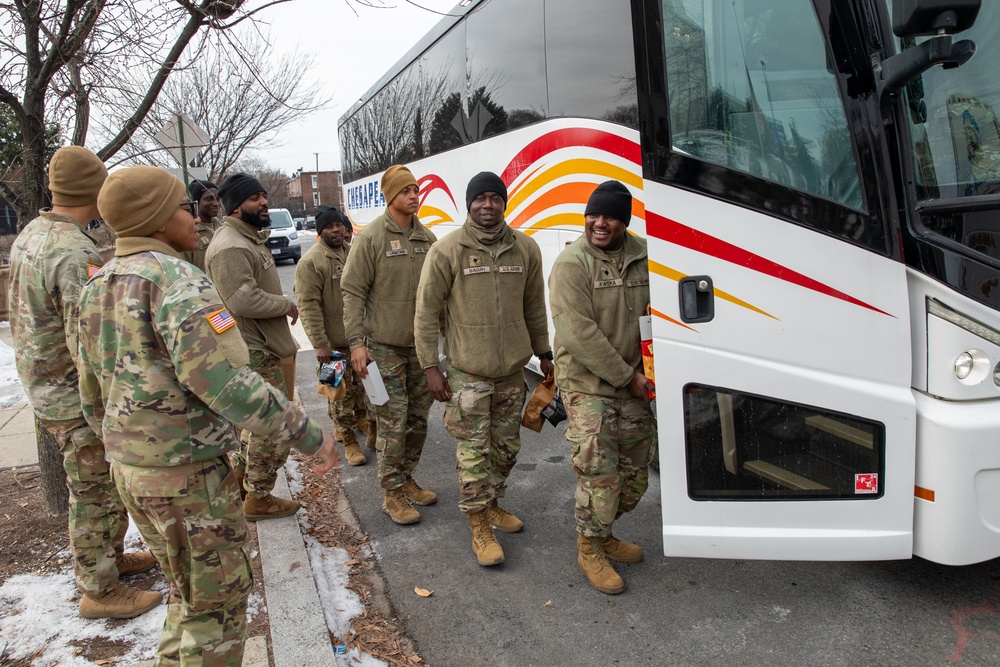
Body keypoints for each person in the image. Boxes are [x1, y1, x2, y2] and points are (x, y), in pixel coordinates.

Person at [77, 165, 338, 666]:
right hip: (187, 478)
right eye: (182, 205)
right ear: (155, 217)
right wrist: (303, 432)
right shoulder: (177, 282)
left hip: (132, 472)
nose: (194, 212)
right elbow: (225, 382)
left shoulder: (99, 283)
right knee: (215, 614)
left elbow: (90, 391)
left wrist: (123, 445)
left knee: (188, 598)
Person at [7, 146, 160, 620]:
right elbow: (88, 337)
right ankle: (99, 589)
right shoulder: (75, 252)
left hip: (46, 387)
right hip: (73, 396)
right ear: (94, 191)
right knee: (92, 492)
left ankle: (110, 561)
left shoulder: (31, 234)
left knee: (101, 487)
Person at [415, 171, 553, 566]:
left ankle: (492, 503)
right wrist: (431, 366)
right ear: (469, 203)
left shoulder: (525, 249)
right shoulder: (446, 251)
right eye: (480, 198)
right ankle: (479, 525)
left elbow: (534, 307)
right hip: (467, 374)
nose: (487, 205)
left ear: (504, 203)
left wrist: (543, 352)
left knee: (506, 449)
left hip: (511, 372)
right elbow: (425, 315)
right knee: (474, 453)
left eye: (495, 198)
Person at [548, 180, 655, 595]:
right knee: (599, 475)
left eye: (609, 215)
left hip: (635, 382)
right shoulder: (572, 264)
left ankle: (605, 531)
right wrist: (629, 378)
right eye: (594, 214)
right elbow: (578, 333)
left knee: (634, 477)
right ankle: (590, 546)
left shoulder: (645, 255)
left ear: (623, 221)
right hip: (589, 385)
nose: (599, 222)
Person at [341, 165, 438, 525]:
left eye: (416, 189)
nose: (414, 196)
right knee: (393, 421)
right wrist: (356, 344)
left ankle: (406, 477)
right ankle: (391, 494)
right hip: (382, 347)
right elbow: (351, 292)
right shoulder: (370, 239)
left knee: (418, 420)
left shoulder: (427, 238)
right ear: (390, 196)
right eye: (406, 191)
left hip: (420, 348)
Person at [204, 173, 302, 520]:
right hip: (255, 352)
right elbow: (240, 299)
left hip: (266, 349)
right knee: (274, 426)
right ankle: (259, 497)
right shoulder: (231, 244)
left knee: (262, 426)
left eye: (263, 195)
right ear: (234, 207)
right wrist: (285, 304)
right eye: (254, 198)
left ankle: (246, 481)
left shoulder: (246, 239)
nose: (264, 203)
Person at [293, 207, 367, 466]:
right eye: (329, 226)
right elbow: (308, 305)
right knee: (338, 397)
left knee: (363, 392)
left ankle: (362, 423)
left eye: (339, 224)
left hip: (358, 341)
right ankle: (349, 441)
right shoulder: (311, 263)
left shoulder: (352, 253)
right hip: (332, 347)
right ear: (320, 230)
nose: (336, 230)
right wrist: (319, 343)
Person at [181, 179, 222, 271]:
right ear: (197, 202)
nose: (216, 203)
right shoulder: (190, 231)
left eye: (218, 199)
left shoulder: (222, 228)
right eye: (209, 199)